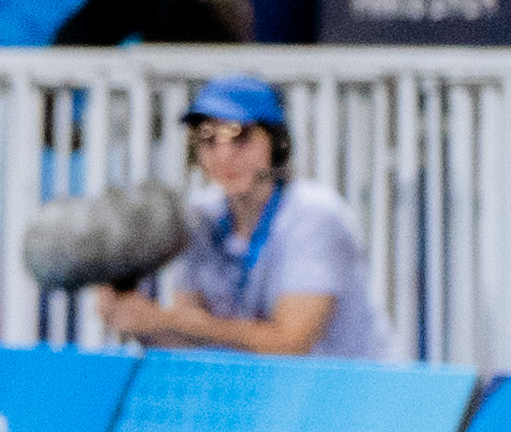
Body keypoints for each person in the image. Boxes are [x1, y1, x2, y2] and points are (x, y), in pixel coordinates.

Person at [95, 77, 394, 360]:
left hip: (354, 396)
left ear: (277, 144)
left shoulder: (315, 215)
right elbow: (190, 340)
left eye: (240, 137)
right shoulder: (199, 216)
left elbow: (291, 342)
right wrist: (136, 319)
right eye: (208, 139)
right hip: (272, 394)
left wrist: (175, 321)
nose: (223, 155)